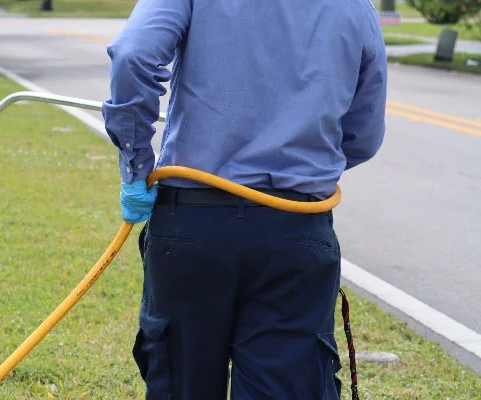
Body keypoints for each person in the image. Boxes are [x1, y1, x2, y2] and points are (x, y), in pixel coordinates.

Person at [102, 0, 387, 398]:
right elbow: (364, 134)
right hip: (294, 229)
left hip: (193, 225)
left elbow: (134, 54)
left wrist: (136, 165)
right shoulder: (355, 5)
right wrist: (302, 168)